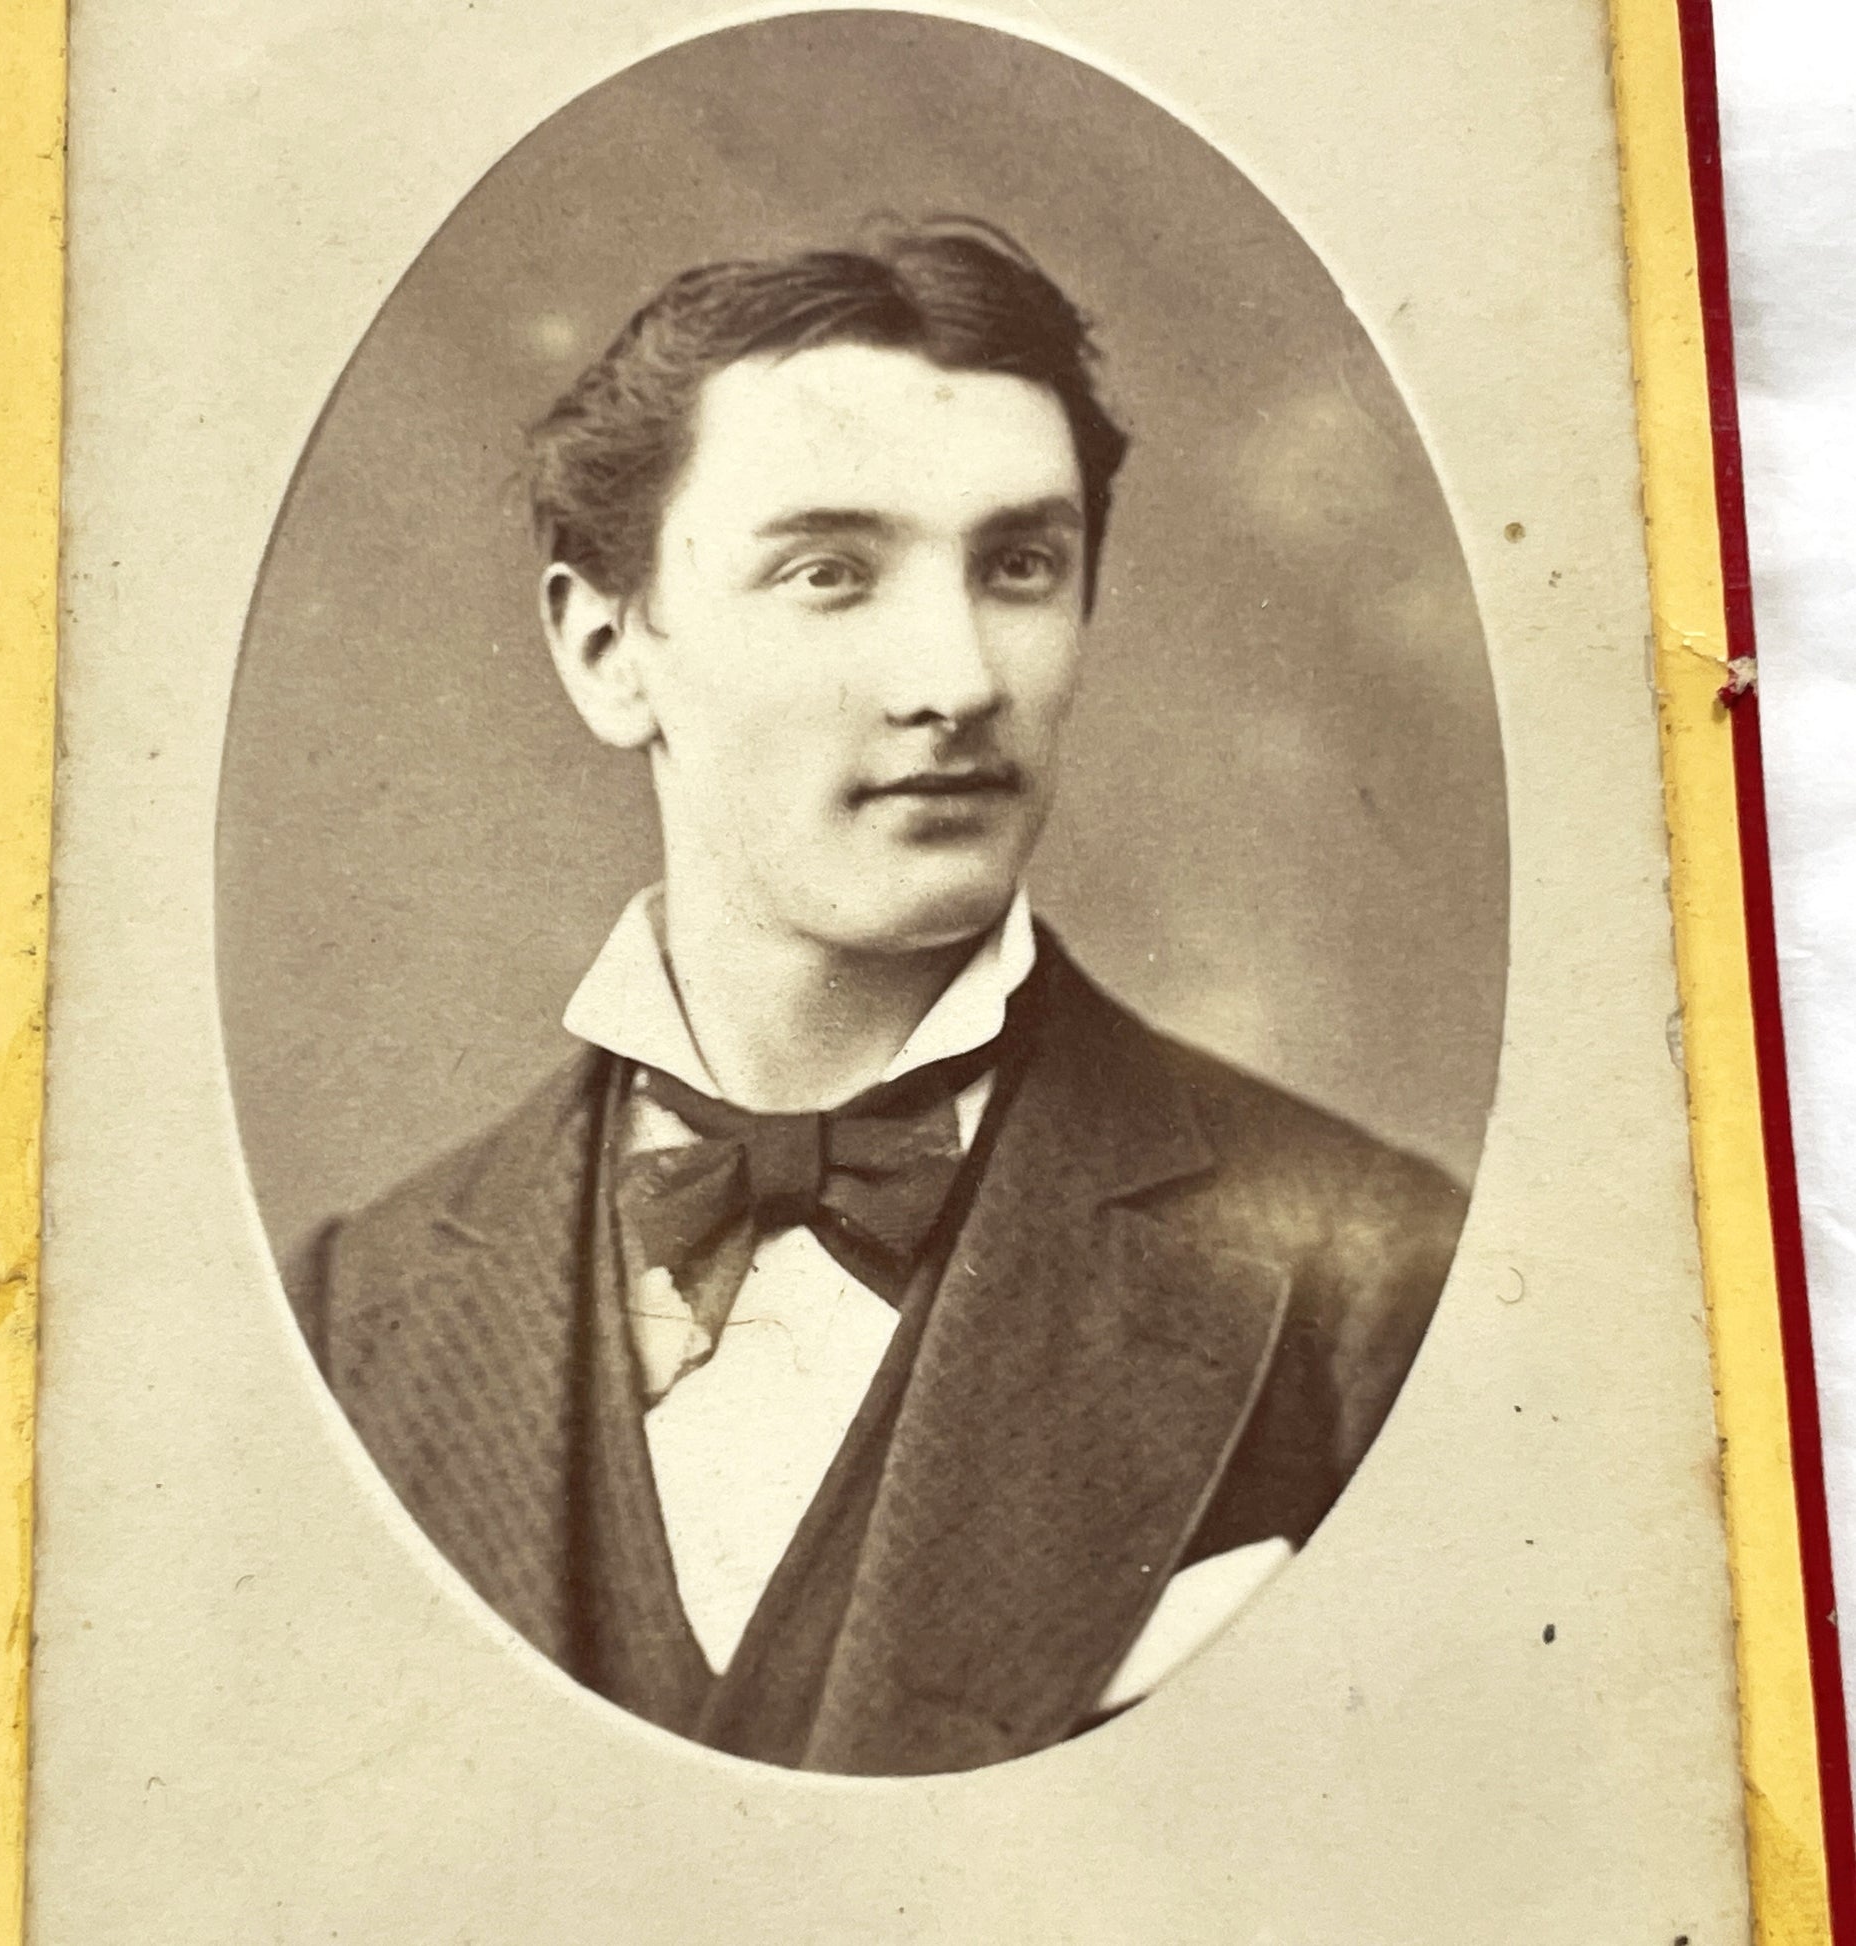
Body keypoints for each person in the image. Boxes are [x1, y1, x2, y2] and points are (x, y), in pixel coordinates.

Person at [288, 221, 1467, 1777]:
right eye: (829, 572)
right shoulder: (343, 1321)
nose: (958, 674)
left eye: (1019, 566)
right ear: (604, 650)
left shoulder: (1364, 1280)